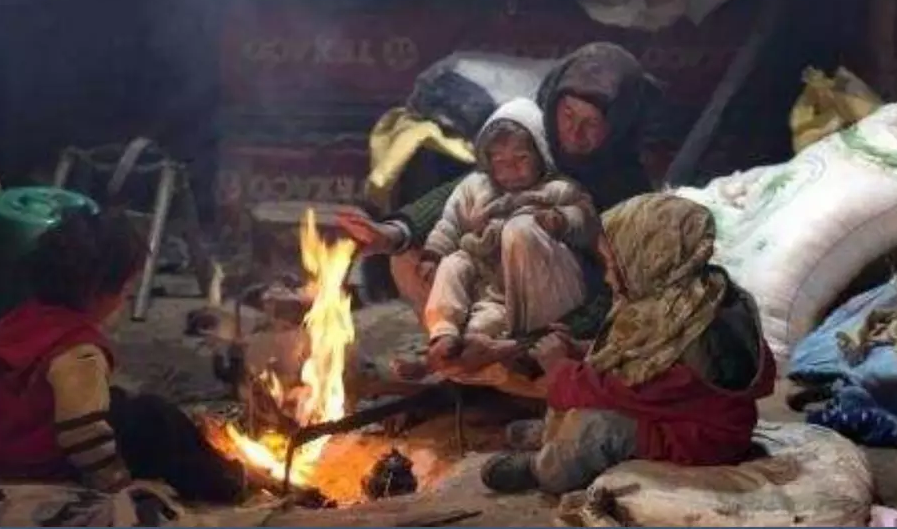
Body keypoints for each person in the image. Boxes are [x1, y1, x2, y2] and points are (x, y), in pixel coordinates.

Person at [330, 42, 666, 340]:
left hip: (562, 321)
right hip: (495, 290)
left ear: (618, 126)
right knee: (410, 255)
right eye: (567, 115)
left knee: (523, 234)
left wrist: (552, 338)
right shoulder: (537, 138)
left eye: (591, 124)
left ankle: (507, 366)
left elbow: (614, 292)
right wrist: (392, 232)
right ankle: (460, 351)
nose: (574, 133)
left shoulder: (627, 189)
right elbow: (467, 190)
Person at [478, 193, 776, 496]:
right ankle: (554, 437)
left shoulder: (697, 334)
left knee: (597, 425)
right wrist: (579, 348)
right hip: (675, 410)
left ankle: (545, 469)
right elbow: (634, 353)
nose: (607, 277)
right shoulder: (689, 296)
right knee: (592, 363)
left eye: (610, 264)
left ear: (649, 258)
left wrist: (559, 369)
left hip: (700, 436)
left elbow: (629, 389)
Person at [0, 207, 243, 504]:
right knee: (156, 418)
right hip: (49, 467)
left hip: (10, 454)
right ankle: (222, 483)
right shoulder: (77, 349)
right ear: (98, 292)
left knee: (116, 400)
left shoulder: (19, 321)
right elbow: (81, 432)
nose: (126, 298)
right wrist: (112, 481)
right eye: (125, 290)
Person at [420, 98, 600, 372]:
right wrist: (432, 254)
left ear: (540, 153)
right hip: (493, 288)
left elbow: (586, 219)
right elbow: (450, 223)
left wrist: (561, 220)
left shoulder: (556, 189)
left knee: (522, 228)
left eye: (521, 158)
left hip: (541, 287)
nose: (510, 169)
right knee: (455, 264)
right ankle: (446, 337)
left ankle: (530, 346)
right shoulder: (476, 189)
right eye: (499, 161)